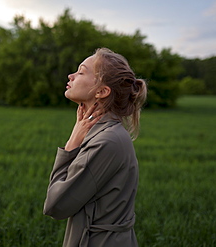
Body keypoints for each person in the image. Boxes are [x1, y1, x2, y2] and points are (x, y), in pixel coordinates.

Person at [43, 48, 147, 247]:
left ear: (101, 91)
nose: (71, 76)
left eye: (81, 72)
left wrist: (70, 146)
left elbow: (55, 206)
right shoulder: (103, 134)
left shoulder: (107, 141)